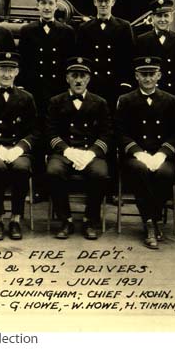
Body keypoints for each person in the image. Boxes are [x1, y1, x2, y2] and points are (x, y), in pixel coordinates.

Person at [115, 56, 175, 249]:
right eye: (143, 74)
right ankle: (150, 222)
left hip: (161, 155)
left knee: (165, 173)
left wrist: (162, 153)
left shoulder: (170, 100)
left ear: (159, 75)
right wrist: (138, 153)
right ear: (136, 76)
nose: (148, 78)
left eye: (152, 74)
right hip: (136, 156)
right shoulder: (126, 100)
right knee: (140, 171)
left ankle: (154, 218)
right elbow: (120, 132)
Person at [0, 52, 39, 241]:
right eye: (3, 69)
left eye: (11, 70)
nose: (7, 74)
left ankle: (15, 219)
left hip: (18, 149)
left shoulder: (26, 98)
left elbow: (34, 131)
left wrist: (19, 148)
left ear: (17, 72)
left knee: (21, 168)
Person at [46, 57, 112, 240]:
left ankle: (90, 220)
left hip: (91, 153)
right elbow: (50, 132)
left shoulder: (100, 102)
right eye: (74, 76)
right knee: (53, 171)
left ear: (88, 79)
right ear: (67, 78)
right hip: (64, 152)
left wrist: (90, 153)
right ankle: (65, 220)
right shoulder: (56, 102)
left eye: (82, 76)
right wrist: (68, 151)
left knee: (100, 173)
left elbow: (106, 134)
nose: (78, 80)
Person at [18, 0, 76, 113]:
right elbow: (22, 61)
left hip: (58, 87)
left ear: (56, 6)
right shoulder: (27, 31)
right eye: (43, 3)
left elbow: (70, 62)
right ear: (37, 6)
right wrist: (22, 85)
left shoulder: (67, 32)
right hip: (34, 87)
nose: (47, 7)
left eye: (51, 3)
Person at [75, 0, 134, 107]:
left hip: (115, 85)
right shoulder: (84, 28)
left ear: (113, 2)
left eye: (106, 0)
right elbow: (81, 58)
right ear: (94, 2)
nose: (103, 4)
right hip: (92, 85)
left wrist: (126, 83)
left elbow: (129, 58)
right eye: (100, 0)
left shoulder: (124, 26)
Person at [134, 0, 175, 100]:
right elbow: (137, 71)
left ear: (171, 17)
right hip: (151, 96)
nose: (162, 19)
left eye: (166, 16)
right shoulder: (142, 40)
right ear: (152, 18)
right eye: (159, 16)